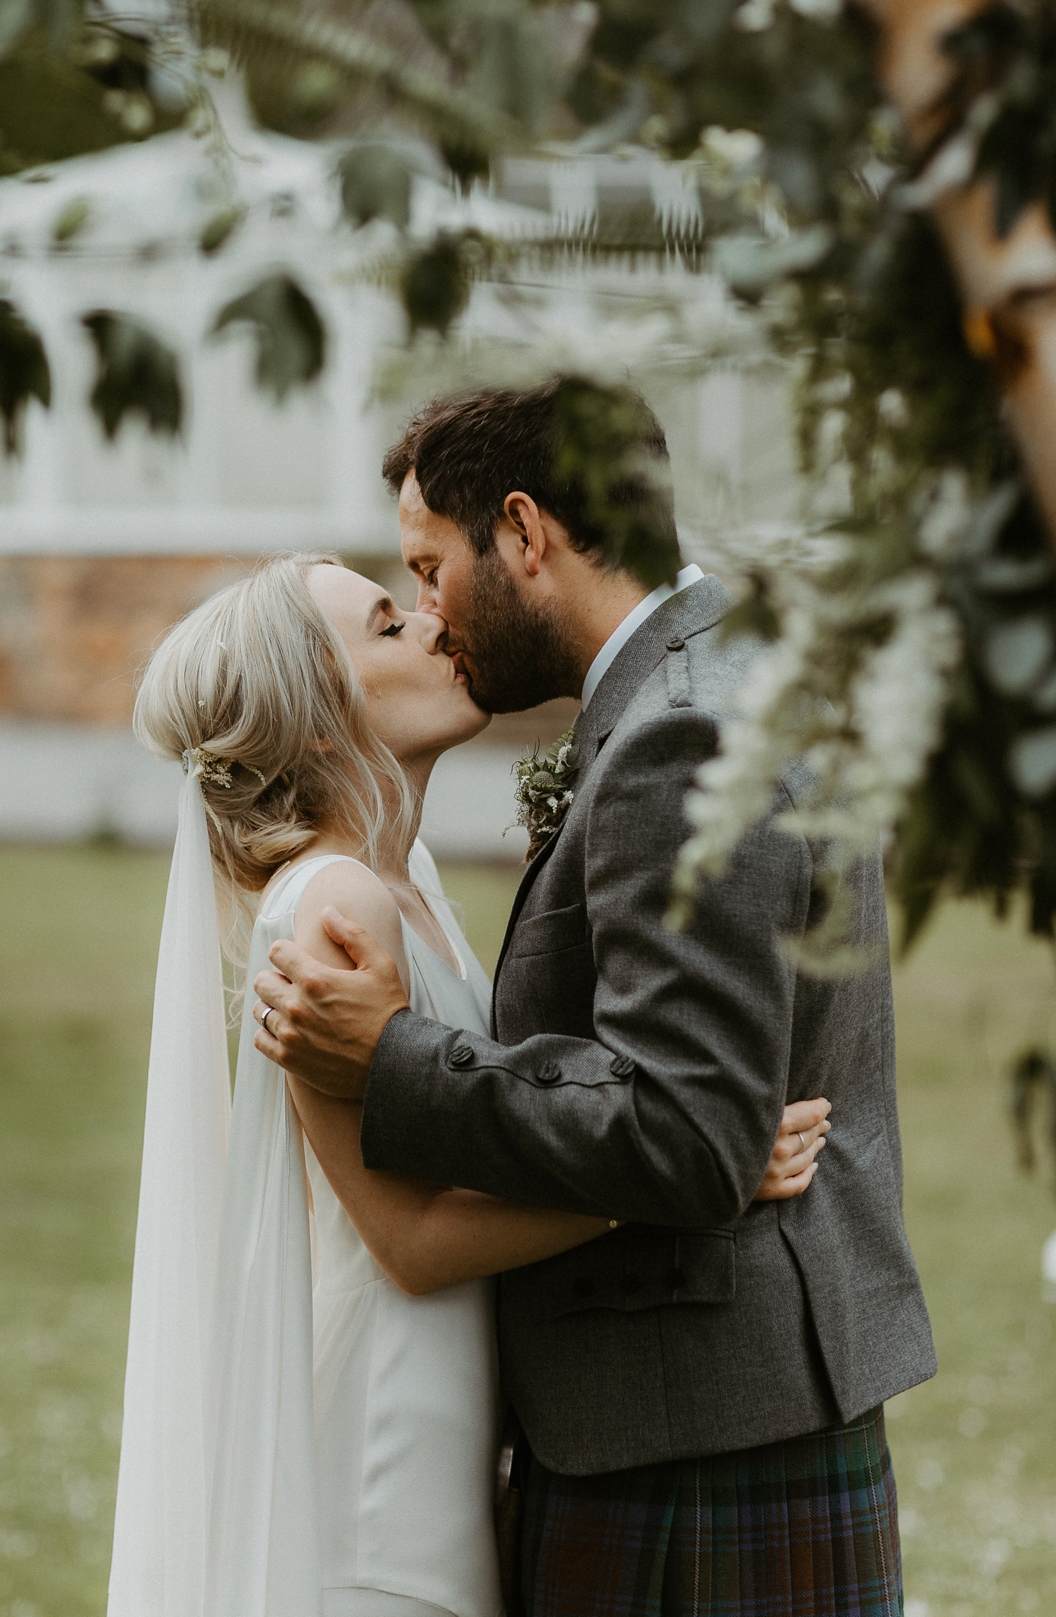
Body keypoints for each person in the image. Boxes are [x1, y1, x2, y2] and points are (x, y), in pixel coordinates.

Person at [251, 381, 937, 1617]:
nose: (428, 614)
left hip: (687, 1421)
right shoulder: (729, 674)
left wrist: (394, 1057)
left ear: (522, 534)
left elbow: (686, 1134)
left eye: (429, 568)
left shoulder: (673, 741)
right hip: (738, 1399)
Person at [106, 549, 829, 1617]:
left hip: (454, 1433)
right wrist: (687, 1168)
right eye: (389, 626)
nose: (436, 624)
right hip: (385, 1456)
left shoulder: (409, 882)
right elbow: (411, 1242)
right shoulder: (328, 901)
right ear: (317, 718)